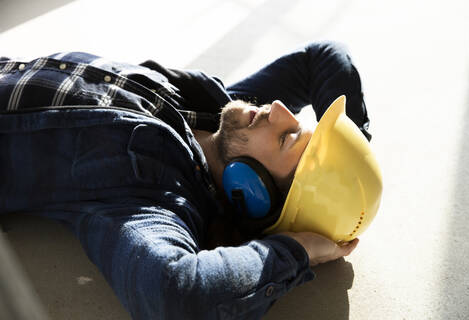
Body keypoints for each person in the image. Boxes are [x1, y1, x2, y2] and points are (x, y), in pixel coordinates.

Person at [0, 41, 370, 319]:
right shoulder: (217, 113)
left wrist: (295, 250)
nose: (278, 110)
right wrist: (353, 148)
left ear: (253, 193)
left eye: (287, 137)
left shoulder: (152, 192)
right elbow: (321, 57)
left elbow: (176, 293)